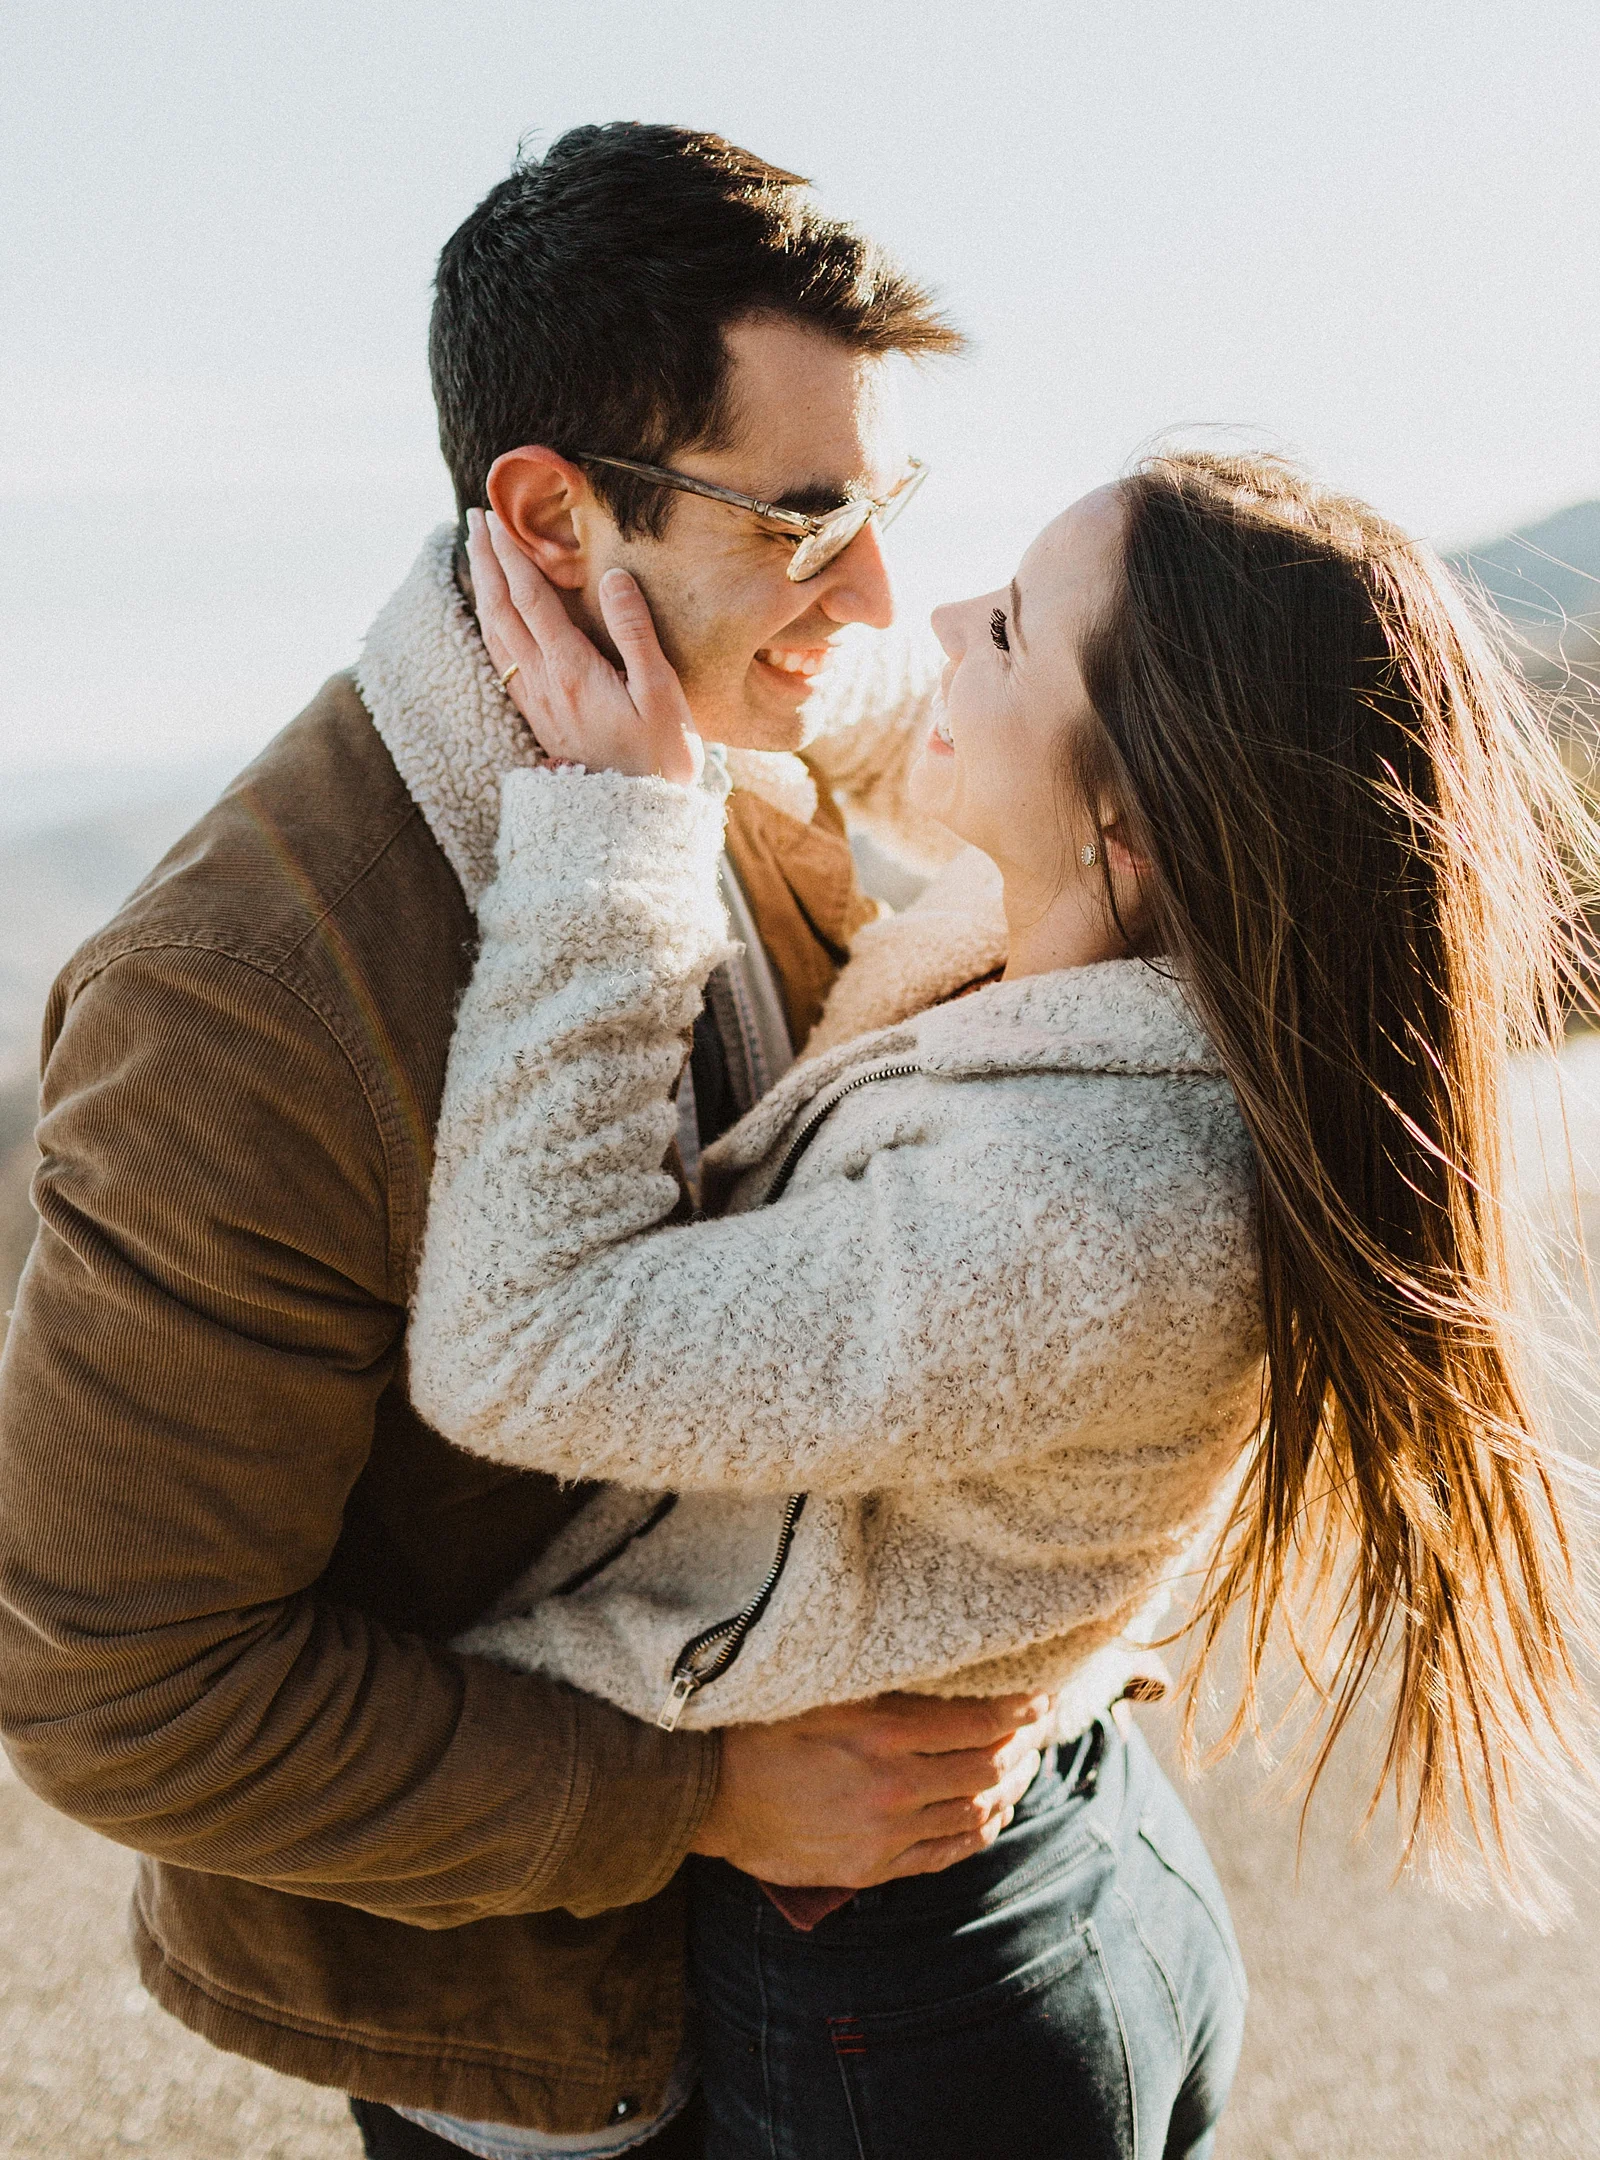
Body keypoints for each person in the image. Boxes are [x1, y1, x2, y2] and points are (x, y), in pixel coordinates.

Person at [0, 125, 1087, 2160]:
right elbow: (121, 1692)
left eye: (885, 500)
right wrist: (698, 1794)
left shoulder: (717, 745)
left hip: (884, 1929)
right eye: (806, 515)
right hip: (567, 2039)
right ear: (552, 517)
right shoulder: (239, 1002)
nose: (873, 590)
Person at [406, 453, 1598, 2159]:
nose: (944, 615)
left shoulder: (1089, 1215)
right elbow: (916, 723)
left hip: (912, 2013)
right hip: (1040, 1862)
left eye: (1015, 626)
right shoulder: (1103, 932)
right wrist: (725, 636)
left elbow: (518, 1346)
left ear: (1136, 819)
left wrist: (618, 831)